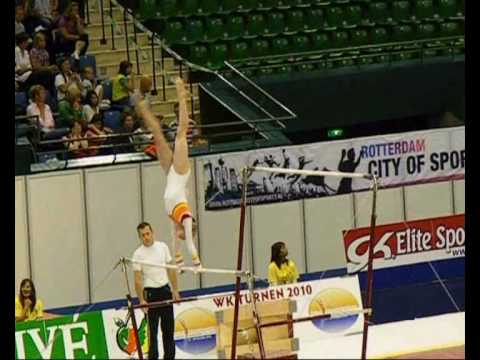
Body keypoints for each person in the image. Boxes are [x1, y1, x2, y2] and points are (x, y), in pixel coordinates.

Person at [135, 78, 201, 268]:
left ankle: (142, 106)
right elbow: (188, 242)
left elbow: (176, 245)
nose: (179, 236)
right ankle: (181, 93)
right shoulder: (186, 217)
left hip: (170, 173)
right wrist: (196, 264)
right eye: (182, 233)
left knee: (156, 132)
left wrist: (178, 263)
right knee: (182, 132)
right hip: (180, 172)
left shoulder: (174, 219)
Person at [132, 222, 180, 360]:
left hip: (165, 291)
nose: (146, 237)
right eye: (143, 235)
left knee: (168, 331)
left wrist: (175, 290)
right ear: (140, 237)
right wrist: (141, 300)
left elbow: (170, 270)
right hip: (150, 295)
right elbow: (138, 280)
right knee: (152, 334)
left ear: (152, 232)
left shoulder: (162, 247)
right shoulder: (138, 254)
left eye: (148, 233)